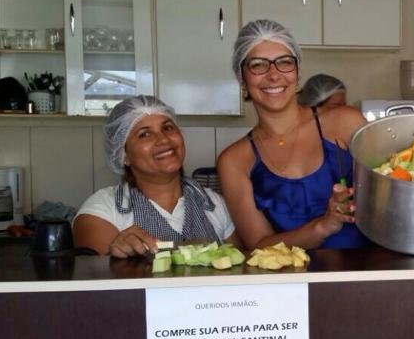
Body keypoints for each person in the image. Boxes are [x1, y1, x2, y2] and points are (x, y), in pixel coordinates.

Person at [217, 19, 368, 249]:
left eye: (284, 62)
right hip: (289, 274)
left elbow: (391, 193)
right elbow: (259, 246)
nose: (273, 75)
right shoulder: (234, 161)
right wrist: (323, 226)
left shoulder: (345, 122)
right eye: (258, 65)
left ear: (297, 72)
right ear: (242, 77)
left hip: (367, 270)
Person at [73, 96, 236, 258]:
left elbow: (239, 268)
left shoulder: (214, 203)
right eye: (144, 134)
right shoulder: (102, 209)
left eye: (168, 128)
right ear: (123, 155)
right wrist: (113, 255)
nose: (163, 139)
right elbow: (93, 271)